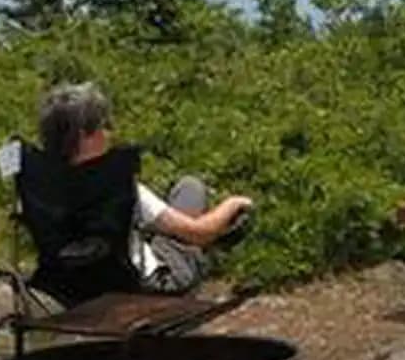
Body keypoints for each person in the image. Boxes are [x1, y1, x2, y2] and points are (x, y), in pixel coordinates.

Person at [37, 82, 253, 297]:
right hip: (145, 285)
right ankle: (213, 249)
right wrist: (233, 204)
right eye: (103, 125)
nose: (109, 133)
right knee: (191, 188)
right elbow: (198, 232)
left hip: (71, 288)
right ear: (86, 136)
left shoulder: (39, 187)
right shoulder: (117, 185)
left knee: (165, 213)